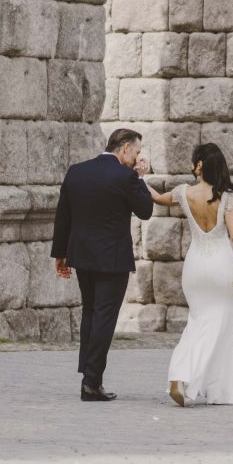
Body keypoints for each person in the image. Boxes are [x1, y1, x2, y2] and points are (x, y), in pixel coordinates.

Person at [144, 143, 233, 406]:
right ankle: (209, 387)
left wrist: (139, 177)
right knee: (220, 327)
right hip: (222, 268)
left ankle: (181, 373)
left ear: (199, 165)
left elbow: (156, 197)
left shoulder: (183, 193)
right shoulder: (228, 199)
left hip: (195, 267)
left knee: (198, 322)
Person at [51, 128, 153, 402]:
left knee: (90, 312)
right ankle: (91, 381)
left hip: (82, 256)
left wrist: (60, 253)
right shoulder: (127, 176)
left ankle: (88, 372)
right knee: (104, 317)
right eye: (137, 152)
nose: (138, 158)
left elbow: (63, 215)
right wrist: (141, 178)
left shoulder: (77, 171)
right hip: (112, 260)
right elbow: (145, 210)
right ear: (125, 149)